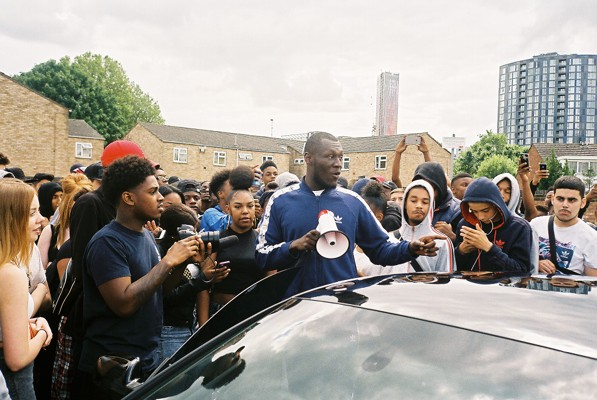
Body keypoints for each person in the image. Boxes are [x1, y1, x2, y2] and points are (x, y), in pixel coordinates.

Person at [256, 132, 443, 295]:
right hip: (294, 308)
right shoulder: (280, 200)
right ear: (308, 158)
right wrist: (293, 246)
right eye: (330, 157)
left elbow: (380, 249)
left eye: (340, 157)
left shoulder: (352, 201)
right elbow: (261, 256)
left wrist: (410, 249)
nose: (338, 164)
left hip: (342, 307)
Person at [77, 156, 201, 398]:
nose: (161, 197)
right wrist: (167, 261)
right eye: (153, 191)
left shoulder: (144, 235)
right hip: (112, 367)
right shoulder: (108, 242)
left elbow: (157, 290)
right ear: (128, 198)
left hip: (145, 360)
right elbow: (123, 304)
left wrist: (182, 262)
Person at [199, 169, 274, 325]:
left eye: (250, 206)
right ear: (228, 209)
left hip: (253, 316)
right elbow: (203, 286)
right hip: (220, 314)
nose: (245, 212)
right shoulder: (217, 240)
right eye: (238, 207)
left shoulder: (263, 241)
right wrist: (203, 325)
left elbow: (271, 284)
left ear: (256, 209)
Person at [0, 179, 53, 399]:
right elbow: (17, 359)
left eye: (39, 211)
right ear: (9, 218)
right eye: (32, 213)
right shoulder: (10, 272)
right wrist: (42, 331)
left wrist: (26, 324)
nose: (42, 220)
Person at [157, 204, 227, 362]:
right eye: (192, 231)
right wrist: (201, 280)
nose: (197, 236)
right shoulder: (164, 255)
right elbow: (166, 296)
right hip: (170, 331)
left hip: (188, 327)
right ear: (177, 235)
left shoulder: (189, 254)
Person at [454, 177, 533, 273]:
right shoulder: (465, 224)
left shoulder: (519, 227)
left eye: (485, 210)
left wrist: (489, 248)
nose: (480, 217)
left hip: (502, 287)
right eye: (474, 211)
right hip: (470, 286)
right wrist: (461, 251)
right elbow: (454, 268)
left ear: (496, 205)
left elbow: (522, 271)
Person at [530, 176, 597, 276]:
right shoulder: (535, 225)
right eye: (560, 199)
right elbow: (518, 259)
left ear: (583, 203)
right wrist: (535, 264)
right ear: (553, 199)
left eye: (572, 200)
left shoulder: (591, 237)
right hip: (532, 290)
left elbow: (592, 283)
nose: (565, 205)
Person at [395, 180, 455, 272]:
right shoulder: (390, 239)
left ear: (430, 206)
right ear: (405, 204)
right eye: (414, 201)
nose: (419, 206)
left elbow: (446, 280)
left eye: (425, 202)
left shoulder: (442, 242)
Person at [412, 162, 462, 241]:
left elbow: (469, 250)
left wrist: (452, 237)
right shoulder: (409, 207)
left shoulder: (458, 211)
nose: (426, 194)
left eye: (431, 189)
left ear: (440, 188)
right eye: (422, 188)